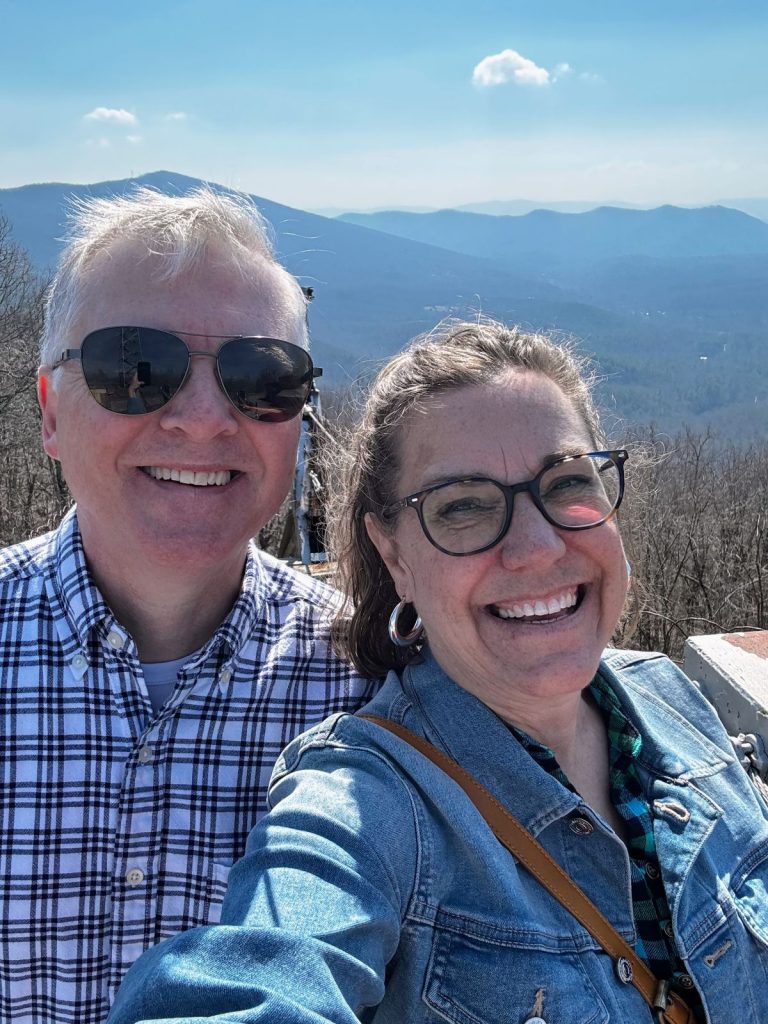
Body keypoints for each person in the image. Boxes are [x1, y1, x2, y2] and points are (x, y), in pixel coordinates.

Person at [108, 319, 768, 1024]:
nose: (538, 547)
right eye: (462, 506)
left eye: (567, 481)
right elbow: (270, 971)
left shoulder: (669, 695)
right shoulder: (370, 805)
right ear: (394, 555)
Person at [0, 187, 377, 1024]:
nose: (205, 420)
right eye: (135, 368)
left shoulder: (378, 692)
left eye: (261, 379)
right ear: (51, 412)